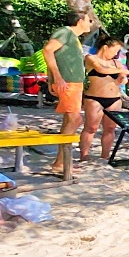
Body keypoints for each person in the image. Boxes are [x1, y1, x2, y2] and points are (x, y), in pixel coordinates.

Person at [42, 10, 94, 173]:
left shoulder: (73, 37)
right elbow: (48, 51)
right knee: (75, 119)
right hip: (68, 83)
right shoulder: (65, 32)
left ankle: (63, 161)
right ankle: (59, 163)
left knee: (68, 120)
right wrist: (56, 78)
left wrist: (52, 78)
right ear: (80, 21)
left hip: (74, 84)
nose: (90, 23)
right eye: (88, 20)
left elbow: (56, 56)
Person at [80, 38, 129, 161]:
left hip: (114, 98)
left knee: (110, 128)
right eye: (115, 50)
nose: (116, 54)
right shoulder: (91, 58)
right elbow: (101, 70)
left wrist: (123, 78)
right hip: (94, 98)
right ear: (105, 47)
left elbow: (123, 78)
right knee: (91, 127)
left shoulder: (117, 63)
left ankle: (105, 156)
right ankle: (84, 155)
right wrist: (122, 71)